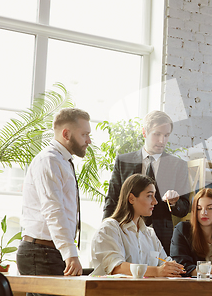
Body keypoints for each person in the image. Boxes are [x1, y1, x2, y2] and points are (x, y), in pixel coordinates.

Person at [17, 108, 91, 289]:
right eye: (84, 134)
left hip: (50, 251)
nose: (88, 141)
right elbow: (54, 210)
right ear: (66, 134)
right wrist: (70, 254)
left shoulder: (62, 161)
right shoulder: (49, 161)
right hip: (41, 253)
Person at [103, 111, 190, 255]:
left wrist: (174, 202)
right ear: (144, 132)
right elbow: (112, 199)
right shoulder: (123, 161)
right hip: (125, 233)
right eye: (157, 134)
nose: (162, 140)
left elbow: (184, 208)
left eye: (166, 135)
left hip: (161, 237)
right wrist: (106, 230)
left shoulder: (178, 165)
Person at [90, 174, 185, 277]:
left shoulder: (150, 234)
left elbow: (165, 263)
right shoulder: (108, 229)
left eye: (155, 196)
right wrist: (157, 271)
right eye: (149, 196)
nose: (155, 202)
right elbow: (116, 267)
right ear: (131, 198)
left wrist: (173, 268)